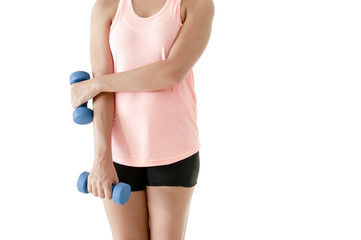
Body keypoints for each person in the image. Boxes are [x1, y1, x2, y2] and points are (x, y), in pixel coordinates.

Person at [70, 0, 214, 239]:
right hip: (118, 152)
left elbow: (171, 73)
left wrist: (98, 83)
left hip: (173, 148)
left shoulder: (196, 4)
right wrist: (101, 158)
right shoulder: (106, 7)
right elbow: (103, 97)